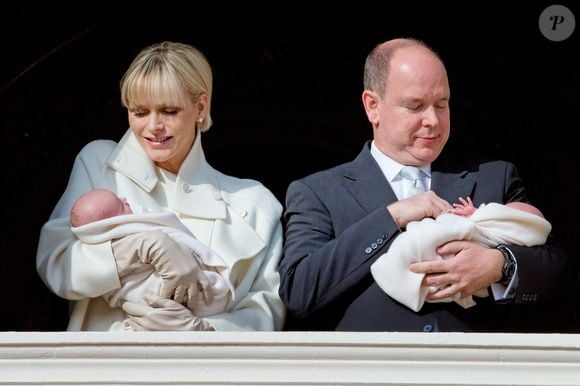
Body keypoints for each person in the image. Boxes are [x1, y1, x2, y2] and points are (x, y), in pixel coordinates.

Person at [278, 37, 573, 332]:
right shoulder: (317, 191)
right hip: (371, 374)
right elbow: (299, 292)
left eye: (441, 105)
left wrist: (499, 265)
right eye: (415, 106)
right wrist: (392, 215)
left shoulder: (495, 177)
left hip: (473, 372)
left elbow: (557, 271)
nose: (432, 120)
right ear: (372, 106)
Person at [37, 41, 285, 332]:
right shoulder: (99, 163)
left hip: (203, 374)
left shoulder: (254, 202)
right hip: (107, 370)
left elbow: (265, 310)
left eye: (168, 111)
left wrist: (202, 331)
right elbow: (56, 265)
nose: (153, 126)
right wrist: (137, 248)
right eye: (140, 112)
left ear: (201, 107)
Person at [69, 188, 235, 323]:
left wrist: (209, 329)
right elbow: (65, 259)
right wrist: (136, 247)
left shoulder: (252, 199)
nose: (125, 198)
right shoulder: (95, 158)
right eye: (121, 206)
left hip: (213, 330)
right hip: (119, 343)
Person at [370, 197, 552, 312]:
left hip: (474, 346)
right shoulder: (340, 181)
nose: (431, 132)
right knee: (417, 241)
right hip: (370, 345)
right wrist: (392, 215)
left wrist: (500, 263)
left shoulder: (499, 173)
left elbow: (554, 263)